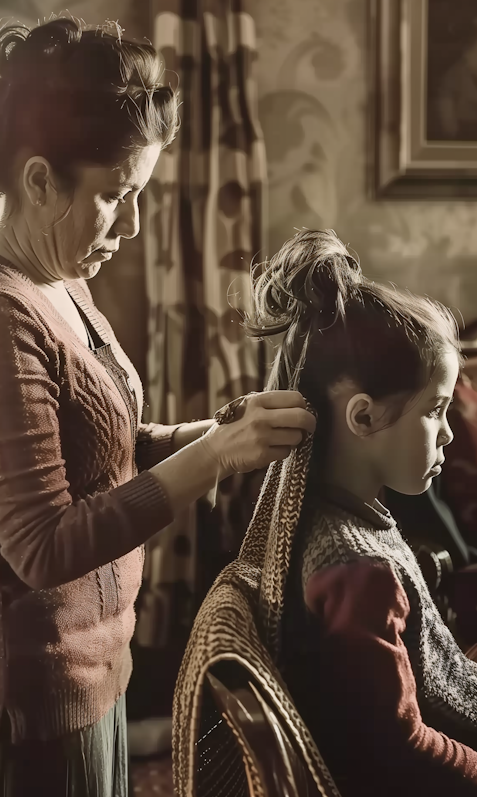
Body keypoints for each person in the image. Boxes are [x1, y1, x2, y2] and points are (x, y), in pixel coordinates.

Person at [0, 17, 315, 797]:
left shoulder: (57, 280)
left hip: (89, 683)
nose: (131, 225)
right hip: (16, 714)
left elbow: (108, 447)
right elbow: (41, 545)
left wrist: (227, 431)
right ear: (38, 181)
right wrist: (214, 459)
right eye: (115, 195)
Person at [172, 229, 477, 797]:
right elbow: (397, 747)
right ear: (362, 418)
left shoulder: (334, 520)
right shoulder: (355, 569)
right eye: (435, 410)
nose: (450, 432)